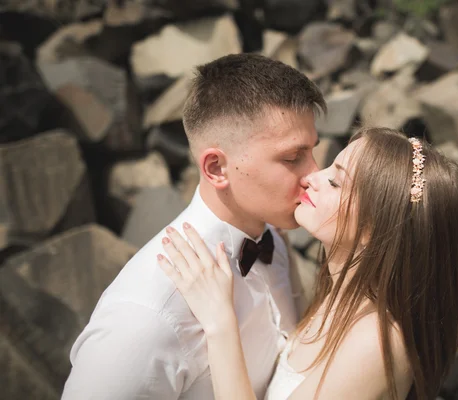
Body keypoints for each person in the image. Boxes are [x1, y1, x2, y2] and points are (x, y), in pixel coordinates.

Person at [61, 54, 326, 399]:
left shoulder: (274, 239)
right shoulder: (145, 315)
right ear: (216, 168)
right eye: (293, 157)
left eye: (313, 152)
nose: (316, 174)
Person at [158, 127, 458, 400]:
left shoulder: (376, 343)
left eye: (336, 182)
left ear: (375, 228)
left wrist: (219, 322)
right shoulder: (341, 294)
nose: (312, 177)